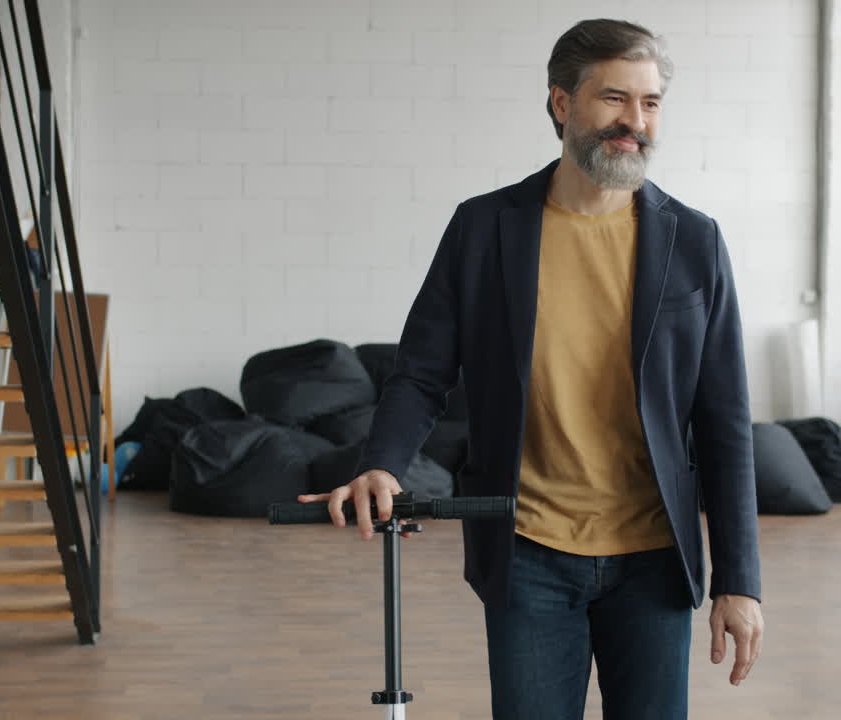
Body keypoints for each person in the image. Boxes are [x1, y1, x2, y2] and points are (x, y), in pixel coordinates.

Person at [297, 18, 763, 720]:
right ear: (561, 103)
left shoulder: (694, 241)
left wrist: (740, 580)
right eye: (615, 98)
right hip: (528, 552)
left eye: (651, 102)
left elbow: (725, 419)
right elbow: (421, 371)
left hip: (655, 556)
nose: (635, 122)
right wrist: (383, 464)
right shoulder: (485, 228)